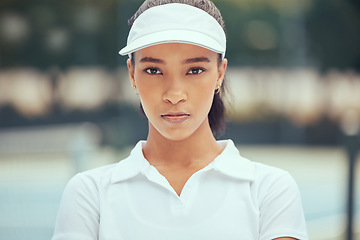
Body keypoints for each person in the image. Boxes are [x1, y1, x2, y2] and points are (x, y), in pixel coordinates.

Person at [52, 0, 308, 239]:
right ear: (132, 74)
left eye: (195, 70)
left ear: (220, 73)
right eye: (153, 70)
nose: (174, 94)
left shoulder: (270, 190)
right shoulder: (89, 194)